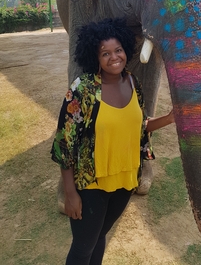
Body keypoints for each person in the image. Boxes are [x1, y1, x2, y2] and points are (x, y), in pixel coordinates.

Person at [51, 17, 174, 265]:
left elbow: (140, 127)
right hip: (92, 185)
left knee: (100, 236)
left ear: (126, 50)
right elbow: (65, 144)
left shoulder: (132, 82)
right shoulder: (82, 89)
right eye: (104, 53)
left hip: (125, 180)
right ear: (94, 57)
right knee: (83, 248)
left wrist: (171, 118)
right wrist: (70, 193)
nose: (113, 57)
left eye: (117, 50)